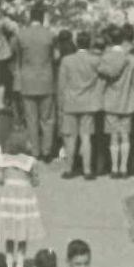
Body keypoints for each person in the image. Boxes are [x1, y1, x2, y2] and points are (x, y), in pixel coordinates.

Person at [0, 129, 45, 267]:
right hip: (24, 198)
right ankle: (20, 264)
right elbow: (35, 181)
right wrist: (33, 179)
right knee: (22, 231)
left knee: (9, 231)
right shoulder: (30, 161)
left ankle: (9, 263)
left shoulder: (3, 159)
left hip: (9, 198)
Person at [12, 4, 57, 161]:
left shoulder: (21, 34)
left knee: (31, 118)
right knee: (47, 118)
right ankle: (47, 151)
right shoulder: (50, 35)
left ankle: (35, 151)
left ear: (30, 18)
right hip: (46, 79)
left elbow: (16, 54)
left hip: (27, 79)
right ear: (42, 18)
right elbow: (55, 56)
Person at [57, 31, 103, 178]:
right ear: (90, 43)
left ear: (77, 43)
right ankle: (87, 170)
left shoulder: (67, 60)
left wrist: (61, 103)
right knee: (86, 137)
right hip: (88, 102)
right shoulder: (95, 60)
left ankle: (69, 169)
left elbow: (62, 84)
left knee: (70, 138)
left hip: (70, 102)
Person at [97, 26, 134, 179]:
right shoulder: (133, 59)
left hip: (110, 100)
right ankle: (124, 168)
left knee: (113, 137)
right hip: (127, 99)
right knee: (125, 135)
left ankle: (114, 168)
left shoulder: (105, 57)